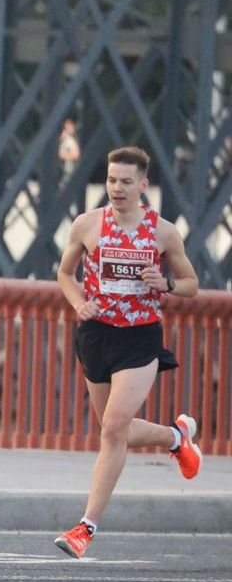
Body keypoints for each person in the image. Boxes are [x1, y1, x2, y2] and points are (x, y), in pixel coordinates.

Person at [52, 146, 202, 559]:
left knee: (114, 427)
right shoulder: (87, 224)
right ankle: (176, 437)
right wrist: (79, 302)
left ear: (143, 185)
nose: (117, 188)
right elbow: (65, 273)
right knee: (112, 429)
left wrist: (165, 283)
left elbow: (191, 283)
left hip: (139, 337)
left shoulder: (162, 232)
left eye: (126, 181)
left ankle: (85, 528)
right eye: (112, 180)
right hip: (96, 334)